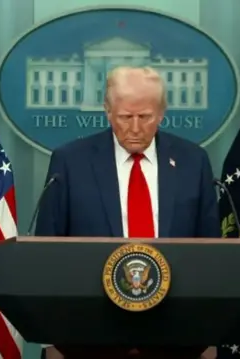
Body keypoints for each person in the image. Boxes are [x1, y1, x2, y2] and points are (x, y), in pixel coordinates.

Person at [35, 66, 220, 359]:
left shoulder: (192, 161)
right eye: (125, 117)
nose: (135, 127)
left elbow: (211, 250)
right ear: (108, 112)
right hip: (88, 340)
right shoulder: (70, 162)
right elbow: (46, 250)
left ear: (162, 113)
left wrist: (210, 337)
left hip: (175, 338)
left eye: (145, 117)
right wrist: (50, 340)